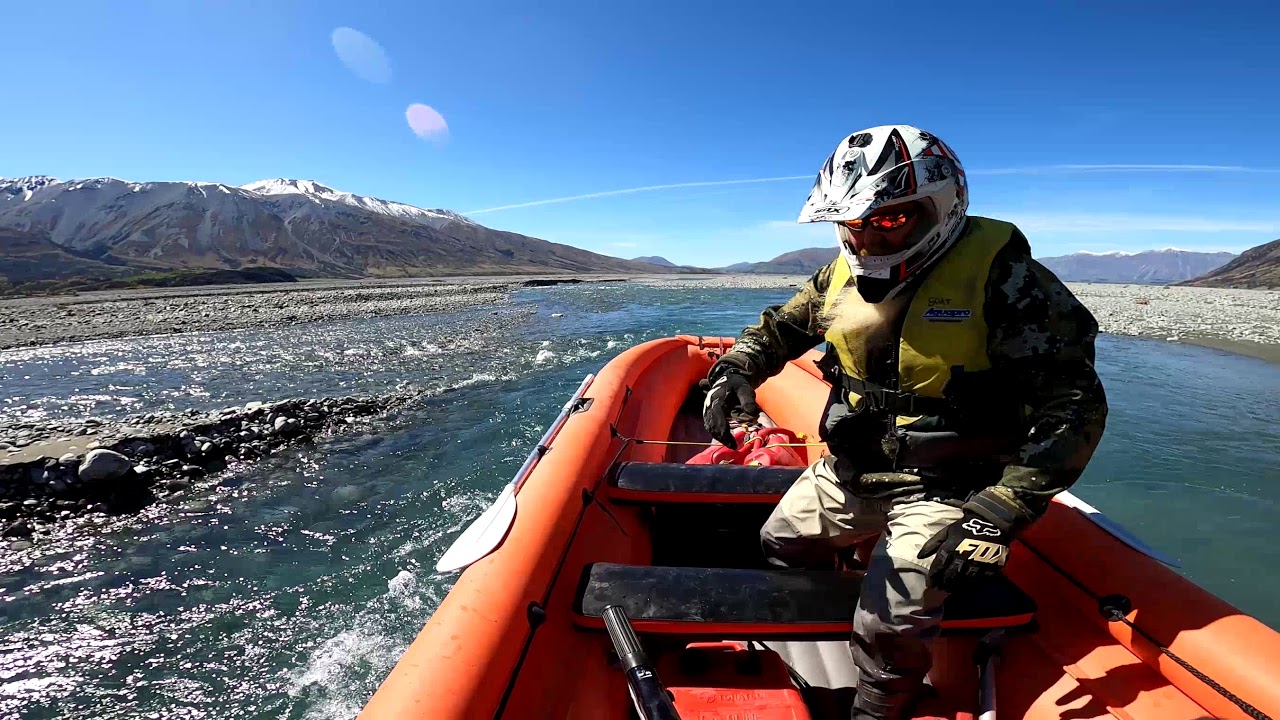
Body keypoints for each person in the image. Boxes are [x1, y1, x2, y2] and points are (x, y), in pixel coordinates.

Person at [700, 125, 1108, 719]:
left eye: (888, 221)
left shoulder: (1010, 283)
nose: (866, 238)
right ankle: (828, 615)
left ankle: (880, 701)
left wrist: (1002, 509)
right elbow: (780, 328)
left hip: (955, 483)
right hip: (857, 465)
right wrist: (737, 368)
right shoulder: (838, 275)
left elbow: (1074, 405)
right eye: (853, 224)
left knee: (894, 617)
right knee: (777, 542)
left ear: (939, 207)